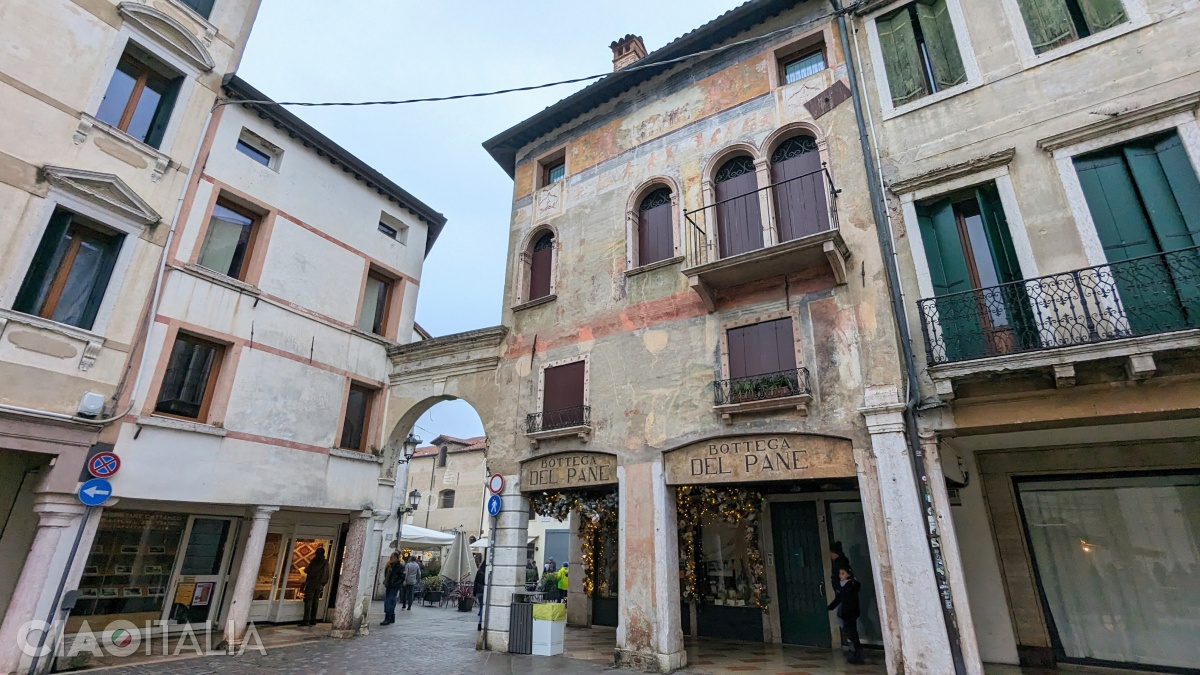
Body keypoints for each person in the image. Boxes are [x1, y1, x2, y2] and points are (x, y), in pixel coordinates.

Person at [828, 567, 864, 664]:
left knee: (852, 633)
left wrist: (831, 607)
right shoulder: (846, 585)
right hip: (848, 613)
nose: (840, 576)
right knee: (851, 633)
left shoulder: (849, 586)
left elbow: (843, 598)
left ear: (848, 574)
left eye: (843, 573)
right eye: (840, 574)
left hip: (849, 613)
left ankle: (858, 654)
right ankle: (856, 653)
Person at [300, 547, 330, 626]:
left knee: (308, 602)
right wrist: (323, 583)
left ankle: (306, 620)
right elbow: (326, 574)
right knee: (315, 602)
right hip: (319, 584)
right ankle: (313, 619)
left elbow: (307, 570)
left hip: (312, 583)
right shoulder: (325, 562)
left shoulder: (315, 561)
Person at [380, 552, 404, 625]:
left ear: (397, 558)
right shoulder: (390, 565)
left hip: (394, 587)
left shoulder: (400, 566)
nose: (391, 558)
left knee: (389, 602)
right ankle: (391, 617)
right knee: (389, 601)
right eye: (391, 557)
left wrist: (395, 584)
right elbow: (387, 574)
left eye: (393, 557)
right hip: (389, 585)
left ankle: (388, 618)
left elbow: (402, 577)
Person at [474, 561, 487, 630]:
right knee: (483, 608)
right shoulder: (487, 572)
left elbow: (475, 582)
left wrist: (474, 593)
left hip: (479, 591)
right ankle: (481, 623)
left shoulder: (479, 572)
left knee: (481, 606)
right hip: (484, 591)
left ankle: (480, 623)